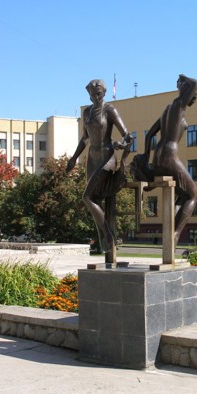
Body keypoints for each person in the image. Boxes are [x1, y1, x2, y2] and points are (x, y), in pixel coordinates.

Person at [66, 79, 132, 260]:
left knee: (87, 197)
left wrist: (122, 143)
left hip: (107, 158)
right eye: (92, 94)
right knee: (94, 199)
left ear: (104, 93)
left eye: (99, 94)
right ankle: (104, 240)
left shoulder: (110, 110)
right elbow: (84, 139)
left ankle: (108, 236)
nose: (95, 97)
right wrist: (74, 158)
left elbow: (127, 135)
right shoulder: (87, 112)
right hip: (92, 159)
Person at [131, 74, 197, 245]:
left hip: (158, 156)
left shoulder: (167, 110)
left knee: (182, 194)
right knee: (193, 195)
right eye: (194, 95)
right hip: (170, 156)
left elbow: (149, 135)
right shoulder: (178, 105)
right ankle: (174, 233)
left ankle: (172, 227)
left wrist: (146, 155)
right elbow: (195, 83)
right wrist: (182, 79)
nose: (195, 97)